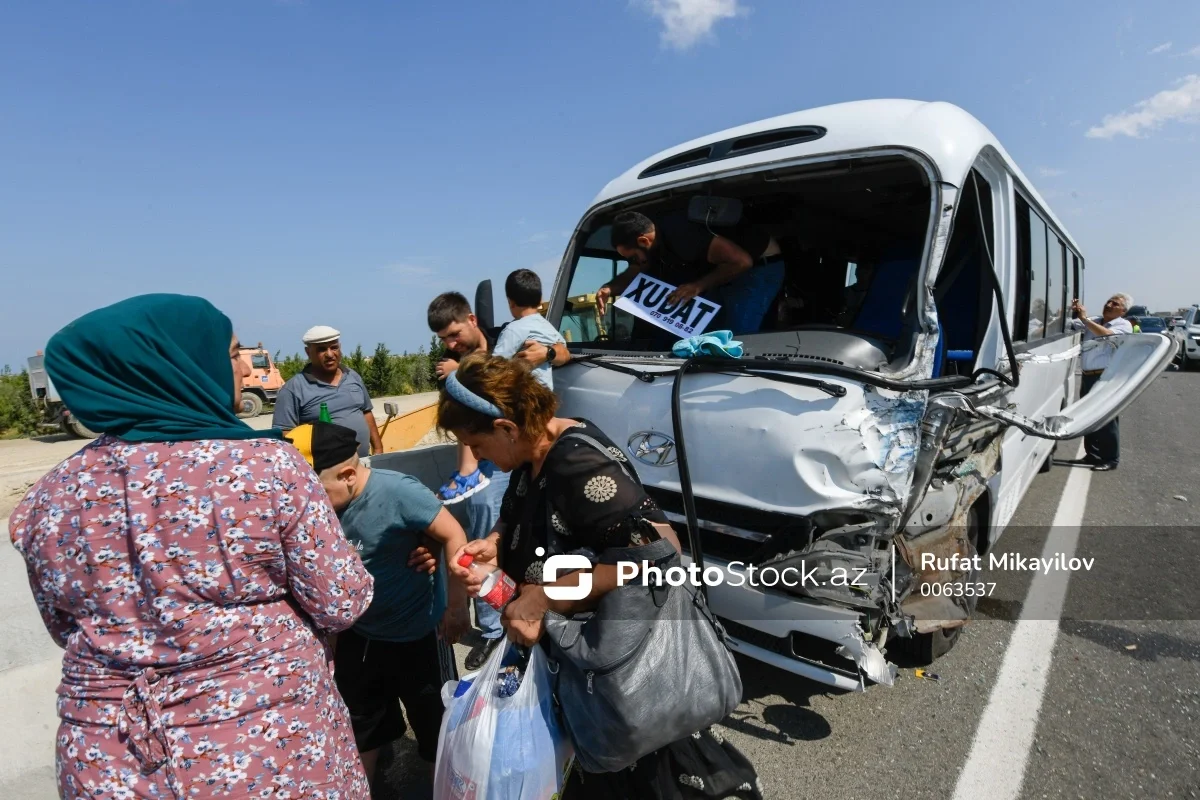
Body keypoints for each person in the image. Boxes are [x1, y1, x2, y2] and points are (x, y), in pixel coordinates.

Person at [8, 294, 376, 800]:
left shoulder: (48, 497)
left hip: (108, 759)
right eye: (231, 353)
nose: (245, 367)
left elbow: (63, 625)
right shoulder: (266, 468)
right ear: (176, 365)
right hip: (264, 749)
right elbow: (341, 602)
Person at [437, 353, 763, 800]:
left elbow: (659, 554)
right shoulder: (533, 453)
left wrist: (544, 597)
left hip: (607, 666)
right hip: (571, 660)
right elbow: (525, 510)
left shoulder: (575, 462)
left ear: (507, 429)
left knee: (629, 764)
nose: (477, 457)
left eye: (476, 445)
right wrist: (495, 541)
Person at [285, 421, 473, 789]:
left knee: (435, 723)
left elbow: (453, 535)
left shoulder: (398, 492)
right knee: (361, 722)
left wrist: (455, 606)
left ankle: (446, 787)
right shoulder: (318, 509)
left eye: (314, 490)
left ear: (349, 474)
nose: (305, 502)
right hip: (361, 635)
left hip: (416, 633)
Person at [427, 292, 511, 668]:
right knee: (483, 531)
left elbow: (556, 352)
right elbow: (463, 431)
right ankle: (493, 631)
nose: (451, 343)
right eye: (444, 339)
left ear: (472, 319)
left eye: (454, 333)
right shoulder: (455, 373)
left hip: (518, 451)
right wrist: (469, 472)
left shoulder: (509, 341)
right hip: (486, 463)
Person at [597, 209, 786, 336]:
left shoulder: (682, 234)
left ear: (644, 241)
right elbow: (636, 271)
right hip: (724, 269)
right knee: (707, 332)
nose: (634, 262)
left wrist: (697, 286)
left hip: (759, 266)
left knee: (737, 334)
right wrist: (610, 288)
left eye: (633, 257)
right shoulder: (652, 245)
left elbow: (742, 262)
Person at [272, 325, 383, 457]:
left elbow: (366, 413)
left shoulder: (353, 376)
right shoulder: (293, 389)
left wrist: (378, 449)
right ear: (308, 352)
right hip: (324, 472)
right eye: (322, 349)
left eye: (334, 347)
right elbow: (285, 435)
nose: (330, 354)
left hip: (364, 463)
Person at [1069, 293, 1135, 471]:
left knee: (1106, 418)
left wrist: (1084, 319)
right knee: (1088, 416)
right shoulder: (1095, 320)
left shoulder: (1123, 325)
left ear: (1123, 310)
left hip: (1105, 377)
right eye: (1108, 301)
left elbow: (1107, 336)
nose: (1109, 304)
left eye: (1115, 303)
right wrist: (1068, 312)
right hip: (1088, 375)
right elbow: (1068, 324)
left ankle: (1110, 458)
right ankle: (1093, 454)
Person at [492, 268, 566, 390]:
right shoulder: (548, 327)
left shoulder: (513, 329)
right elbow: (564, 350)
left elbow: (494, 367)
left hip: (522, 398)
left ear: (511, 302)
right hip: (545, 398)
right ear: (541, 299)